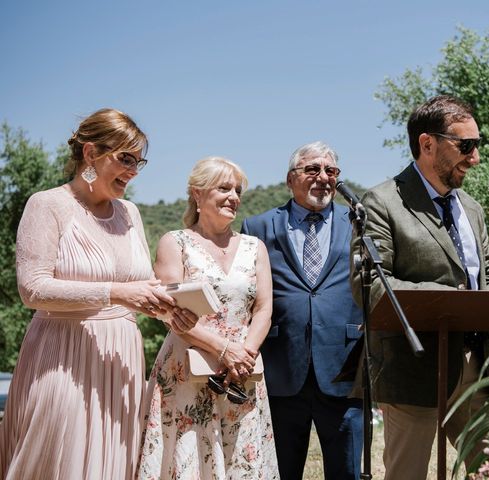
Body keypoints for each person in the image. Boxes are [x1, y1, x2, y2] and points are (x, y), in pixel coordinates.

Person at [0, 108, 197, 480]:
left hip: (122, 361)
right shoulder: (48, 205)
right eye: (125, 159)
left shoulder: (131, 213)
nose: (134, 171)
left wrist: (170, 307)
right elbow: (32, 289)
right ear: (90, 154)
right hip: (63, 357)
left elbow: (138, 287)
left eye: (139, 161)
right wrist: (117, 294)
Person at [351, 95, 489, 479]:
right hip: (414, 369)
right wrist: (453, 301)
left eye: (477, 146)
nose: (475, 158)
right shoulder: (382, 202)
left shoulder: (471, 207)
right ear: (427, 144)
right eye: (465, 146)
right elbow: (369, 286)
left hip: (476, 367)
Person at [138, 157, 279, 479]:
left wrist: (245, 353)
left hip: (241, 371)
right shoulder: (174, 242)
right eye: (224, 188)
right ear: (197, 194)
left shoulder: (254, 247)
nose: (234, 197)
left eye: (238, 190)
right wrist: (223, 349)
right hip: (188, 367)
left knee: (241, 457)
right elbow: (169, 311)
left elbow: (264, 308)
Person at [241, 141, 363, 480]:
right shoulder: (258, 228)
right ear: (290, 178)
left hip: (345, 369)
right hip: (281, 370)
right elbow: (246, 296)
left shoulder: (360, 222)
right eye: (313, 169)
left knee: (347, 473)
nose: (323, 177)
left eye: (331, 171)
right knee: (279, 472)